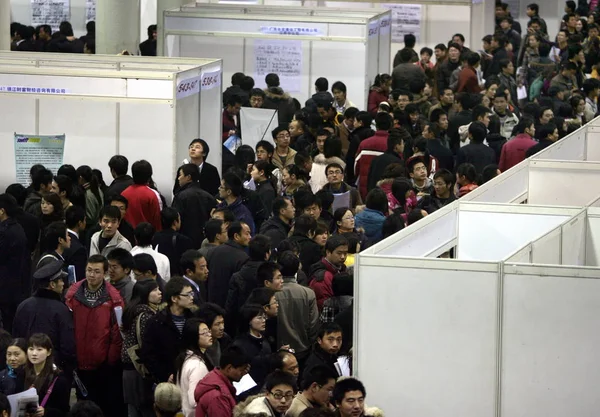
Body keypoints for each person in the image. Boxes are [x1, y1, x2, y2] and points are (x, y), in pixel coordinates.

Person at [65, 254, 124, 417]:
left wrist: (110, 360)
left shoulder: (114, 298)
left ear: (105, 273)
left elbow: (117, 332)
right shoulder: (72, 293)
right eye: (89, 270)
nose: (92, 275)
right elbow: (66, 326)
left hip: (102, 365)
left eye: (97, 271)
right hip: (77, 361)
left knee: (100, 405)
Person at [12, 261, 76, 374]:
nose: (63, 284)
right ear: (52, 285)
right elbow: (67, 346)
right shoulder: (61, 310)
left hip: (26, 371)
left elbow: (17, 339)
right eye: (60, 280)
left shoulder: (23, 306)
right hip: (53, 372)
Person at [141, 277, 195, 383]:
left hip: (191, 375)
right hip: (167, 381)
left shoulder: (194, 319)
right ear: (174, 298)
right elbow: (148, 355)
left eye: (192, 293)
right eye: (187, 294)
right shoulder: (156, 322)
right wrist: (165, 375)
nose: (191, 297)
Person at [121, 279, 162, 417]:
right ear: (145, 294)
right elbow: (149, 346)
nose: (159, 292)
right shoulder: (146, 316)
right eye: (155, 290)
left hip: (129, 370)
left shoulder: (132, 311)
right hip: (140, 371)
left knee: (133, 410)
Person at [225, 235, 271, 334]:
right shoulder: (271, 276)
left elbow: (230, 306)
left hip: (242, 326)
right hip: (267, 327)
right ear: (267, 255)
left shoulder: (237, 276)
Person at [0, 194, 30, 334]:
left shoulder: (4, 232)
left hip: (6, 287)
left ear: (2, 211)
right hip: (17, 285)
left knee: (8, 326)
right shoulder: (17, 227)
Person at [194, 346, 250, 417]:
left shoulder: (214, 376)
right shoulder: (218, 397)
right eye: (242, 370)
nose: (245, 373)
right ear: (229, 368)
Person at [175, 318, 214, 417]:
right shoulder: (197, 365)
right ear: (193, 337)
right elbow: (194, 400)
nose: (210, 335)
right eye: (204, 333)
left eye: (209, 331)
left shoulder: (186, 357)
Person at [24, 333, 71, 417]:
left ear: (49, 352)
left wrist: (46, 412)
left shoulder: (58, 378)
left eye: (39, 349)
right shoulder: (22, 372)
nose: (34, 353)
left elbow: (64, 411)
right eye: (31, 349)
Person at [173, 163, 217, 249]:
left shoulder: (181, 196)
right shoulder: (209, 197)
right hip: (204, 241)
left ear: (188, 177)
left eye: (180, 175)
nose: (178, 178)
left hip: (184, 241)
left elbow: (175, 218)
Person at [207, 221, 251, 308]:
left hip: (212, 303)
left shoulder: (213, 251)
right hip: (230, 307)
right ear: (236, 236)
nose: (250, 237)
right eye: (247, 234)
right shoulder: (242, 257)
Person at [232, 304, 272, 389]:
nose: (263, 320)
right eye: (259, 317)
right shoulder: (239, 344)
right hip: (248, 387)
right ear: (249, 320)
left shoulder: (265, 340)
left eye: (264, 317)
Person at [354, 113, 393, 199]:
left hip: (365, 187)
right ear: (390, 125)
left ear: (376, 125)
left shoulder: (364, 143)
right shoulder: (392, 144)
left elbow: (356, 166)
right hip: (386, 190)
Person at [309, 236, 348, 311]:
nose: (343, 257)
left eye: (345, 253)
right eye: (339, 253)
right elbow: (324, 305)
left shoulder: (342, 269)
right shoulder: (323, 277)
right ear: (328, 252)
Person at [121, 160, 163, 230]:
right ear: (149, 175)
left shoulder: (124, 193)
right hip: (147, 235)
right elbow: (157, 220)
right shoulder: (152, 194)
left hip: (127, 235)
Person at [153, 207, 195, 276]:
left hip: (160, 274)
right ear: (175, 222)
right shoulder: (183, 240)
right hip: (177, 277)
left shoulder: (155, 237)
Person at [195, 303, 232, 369]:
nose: (222, 327)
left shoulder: (225, 339)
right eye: (217, 324)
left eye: (222, 322)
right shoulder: (197, 346)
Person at [63, 206, 87, 282]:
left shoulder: (59, 236)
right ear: (80, 223)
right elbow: (79, 277)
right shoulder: (79, 249)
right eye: (85, 220)